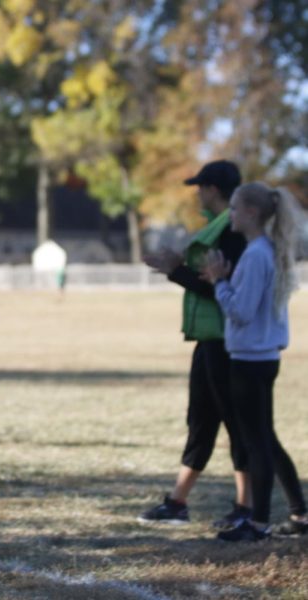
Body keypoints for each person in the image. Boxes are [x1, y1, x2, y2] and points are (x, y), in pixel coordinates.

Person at [139, 160, 250, 528]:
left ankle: (245, 507)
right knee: (200, 419)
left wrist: (176, 270)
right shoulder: (218, 228)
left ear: (214, 189)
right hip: (208, 340)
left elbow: (220, 288)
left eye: (200, 187)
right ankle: (178, 502)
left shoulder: (233, 233)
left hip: (227, 342)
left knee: (237, 423)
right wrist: (177, 270)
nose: (197, 194)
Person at [203, 182, 307, 542]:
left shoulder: (256, 254)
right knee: (267, 438)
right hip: (264, 358)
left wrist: (219, 282)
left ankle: (258, 524)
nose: (228, 214)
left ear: (251, 213)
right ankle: (299, 512)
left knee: (256, 442)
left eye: (233, 208)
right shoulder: (267, 251)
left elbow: (241, 312)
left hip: (249, 360)